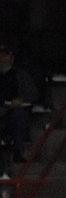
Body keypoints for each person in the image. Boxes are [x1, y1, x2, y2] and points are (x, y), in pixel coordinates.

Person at [0, 43, 38, 171]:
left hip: (14, 111)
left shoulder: (21, 75)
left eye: (4, 56)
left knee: (20, 116)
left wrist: (21, 100)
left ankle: (17, 151)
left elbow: (33, 94)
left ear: (11, 58)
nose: (2, 59)